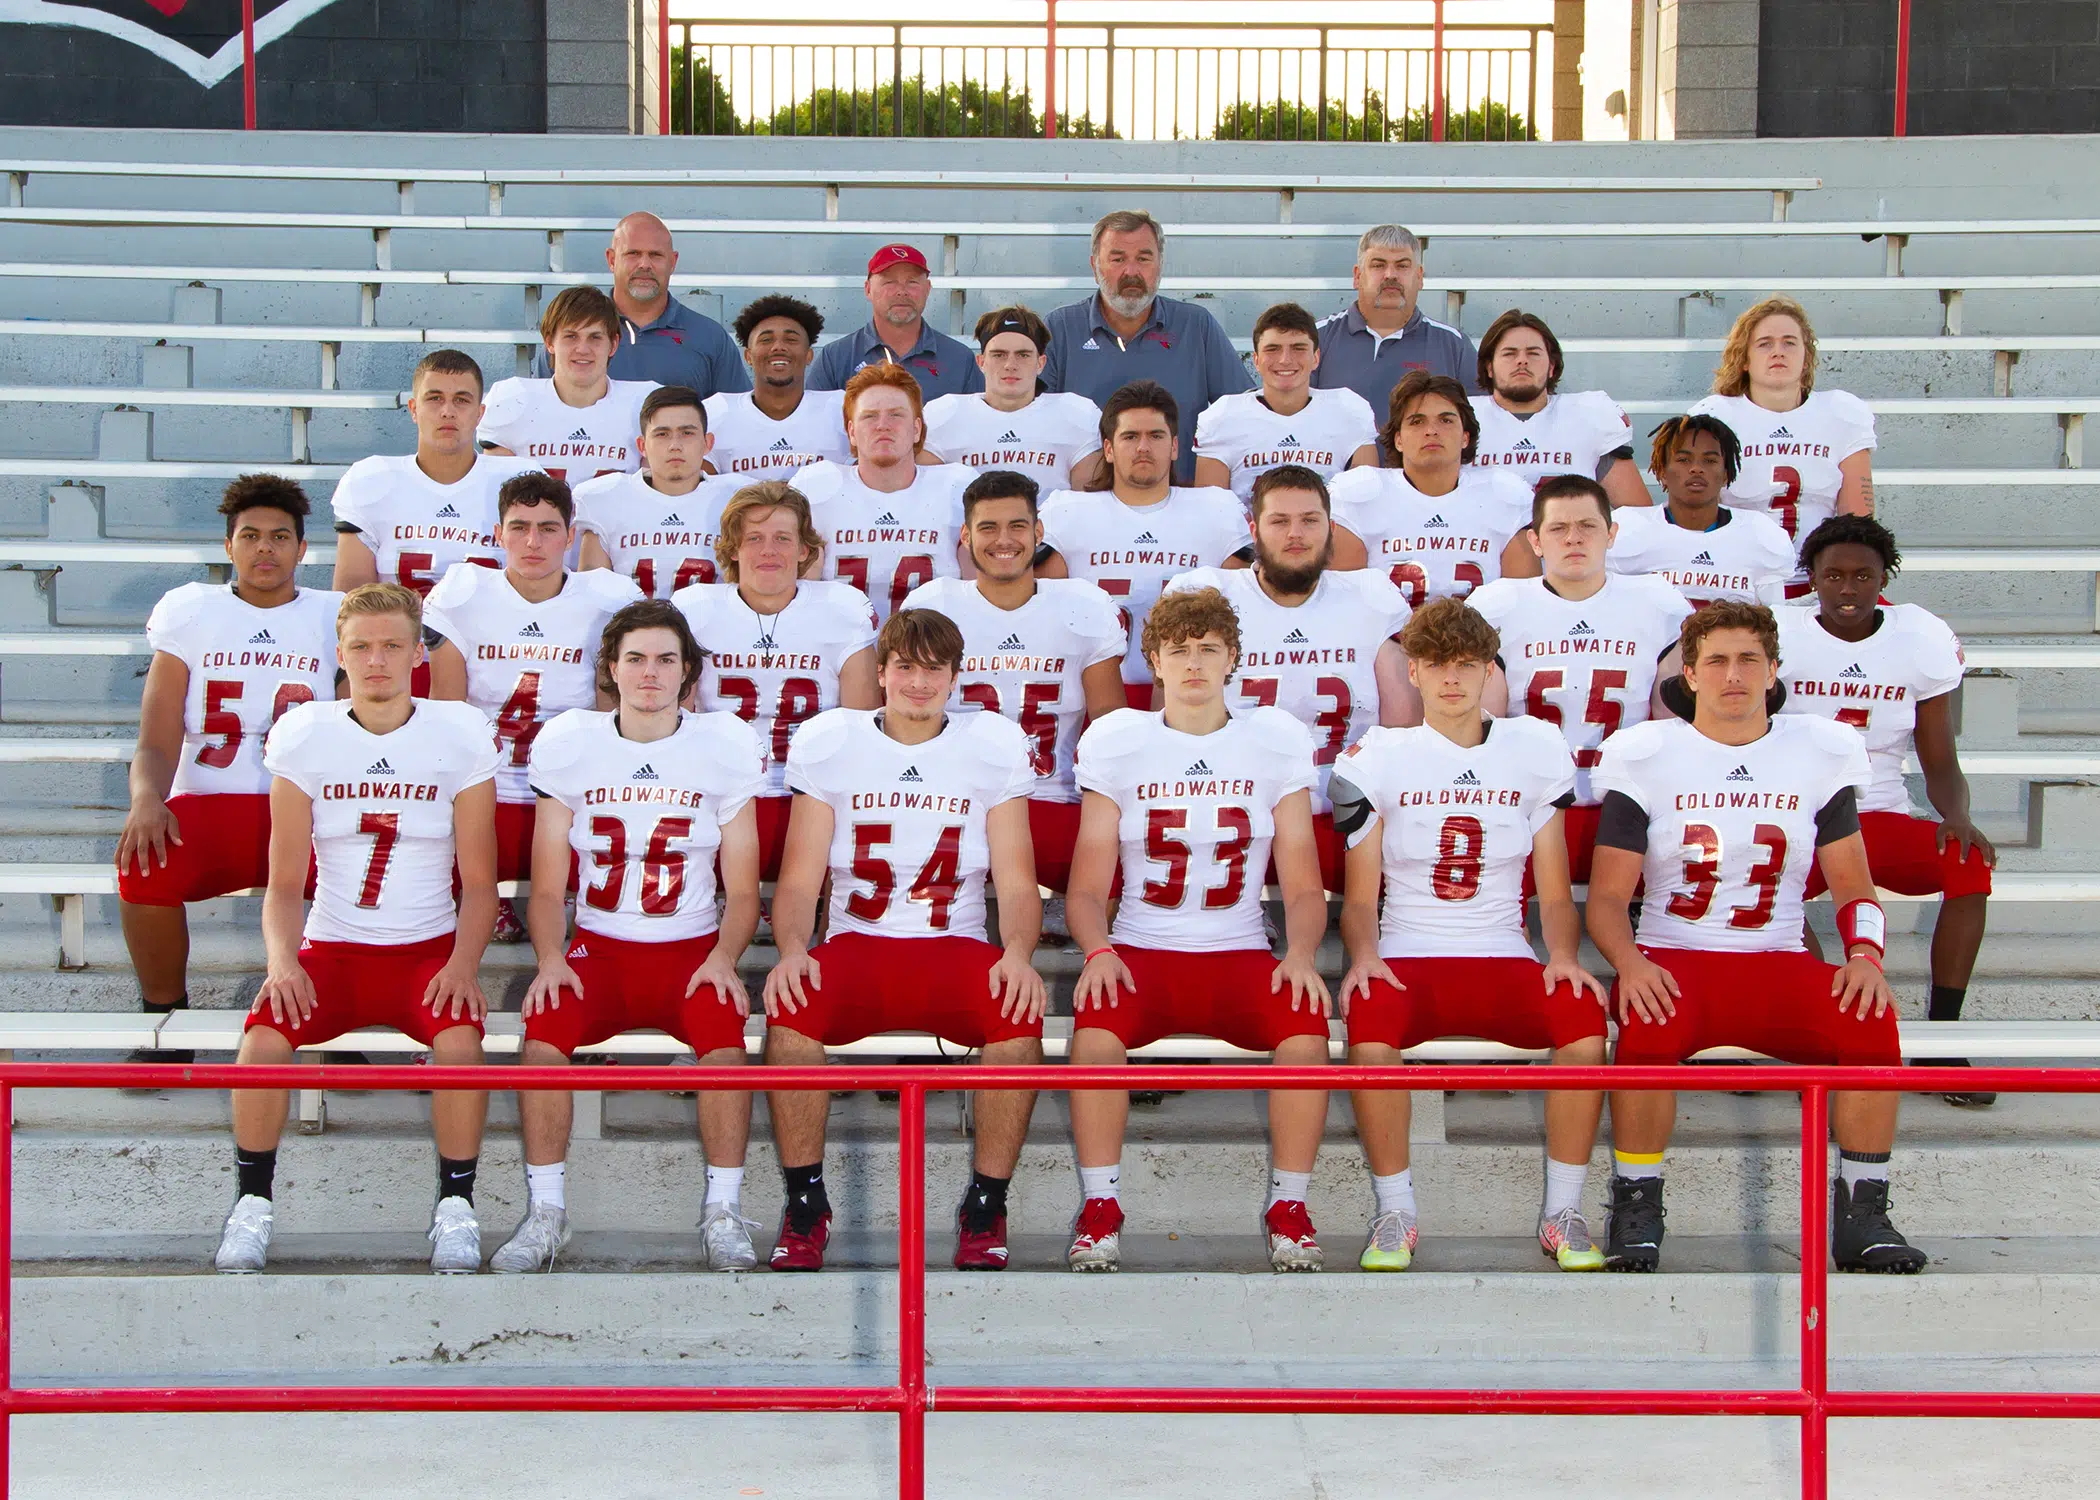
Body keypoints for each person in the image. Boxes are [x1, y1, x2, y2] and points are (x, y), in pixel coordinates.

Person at [1589, 599, 1926, 1276]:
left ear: (1774, 670)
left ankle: (1864, 1214)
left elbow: (1855, 886)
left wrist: (1865, 956)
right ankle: (1637, 1205)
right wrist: (1630, 963)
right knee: (1646, 1023)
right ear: (1689, 673)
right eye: (1716, 660)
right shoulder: (1647, 754)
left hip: (1777, 954)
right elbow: (1605, 899)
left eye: (1749, 659)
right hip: (1675, 957)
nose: (1733, 674)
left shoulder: (1817, 751)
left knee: (1869, 1018)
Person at [213, 583, 501, 1275]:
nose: (377, 660)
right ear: (338, 653)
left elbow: (481, 884)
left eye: (393, 645)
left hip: (424, 954)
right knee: (263, 1035)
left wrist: (462, 965)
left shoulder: (458, 733)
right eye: (362, 646)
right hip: (334, 950)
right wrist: (283, 963)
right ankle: (251, 1204)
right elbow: (285, 884)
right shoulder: (306, 734)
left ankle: (457, 1207)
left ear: (417, 653)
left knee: (460, 1041)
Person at [762, 608, 1046, 1273]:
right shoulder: (833, 741)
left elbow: (1017, 879)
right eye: (906, 668)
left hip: (954, 943)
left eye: (934, 670)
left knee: (1019, 1019)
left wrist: (1018, 954)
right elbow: (799, 880)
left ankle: (987, 1204)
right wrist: (794, 951)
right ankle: (805, 1203)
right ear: (883, 672)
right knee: (790, 1014)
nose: (919, 683)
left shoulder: (990, 745)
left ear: (955, 677)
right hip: (858, 941)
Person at [1330, 596, 1609, 1272]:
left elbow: (1554, 888)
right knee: (1370, 1020)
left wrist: (1563, 955)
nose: (1451, 678)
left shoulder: (1533, 747)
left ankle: (1563, 1211)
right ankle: (1395, 1210)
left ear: (1489, 671)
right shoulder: (1379, 756)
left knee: (1583, 1018)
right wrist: (1363, 955)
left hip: (1502, 949)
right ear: (1413, 673)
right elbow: (1360, 898)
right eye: (1435, 664)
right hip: (1407, 952)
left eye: (1465, 663)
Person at [491, 600, 768, 1273]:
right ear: (611, 669)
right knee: (544, 1031)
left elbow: (743, 889)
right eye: (636, 658)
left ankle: (724, 1208)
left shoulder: (723, 745)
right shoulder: (572, 743)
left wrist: (725, 957)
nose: (650, 672)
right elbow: (548, 887)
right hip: (600, 948)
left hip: (691, 950)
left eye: (666, 659)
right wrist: (550, 958)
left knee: (725, 1038)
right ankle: (546, 1211)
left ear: (687, 672)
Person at [1064, 586, 1330, 1273]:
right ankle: (1101, 1206)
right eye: (1178, 650)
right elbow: (1087, 886)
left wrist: (1301, 951)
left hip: (1238, 948)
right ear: (1153, 660)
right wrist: (1098, 949)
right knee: (1094, 1027)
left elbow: (1303, 883)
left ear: (1233, 657)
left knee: (1305, 1025)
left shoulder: (1273, 741)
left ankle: (1290, 1207)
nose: (1193, 664)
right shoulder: (1119, 742)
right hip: (1141, 948)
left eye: (1208, 649)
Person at [118, 477, 341, 1064]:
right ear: (228, 546)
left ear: (302, 549)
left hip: (307, 809)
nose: (265, 548)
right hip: (210, 797)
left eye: (280, 537)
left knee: (376, 865)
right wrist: (146, 799)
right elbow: (157, 737)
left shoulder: (335, 615)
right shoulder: (192, 611)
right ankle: (165, 1019)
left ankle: (342, 1015)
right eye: (251, 536)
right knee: (143, 863)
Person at [1780, 515, 1997, 1107]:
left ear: (1884, 578)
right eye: (1833, 576)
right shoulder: (1781, 633)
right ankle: (1819, 1036)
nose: (1848, 588)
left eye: (1863, 576)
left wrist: (1956, 815)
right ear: (1812, 578)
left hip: (1877, 809)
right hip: (1798, 814)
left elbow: (1940, 759)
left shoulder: (1918, 637)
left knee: (1968, 865)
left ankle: (1942, 1037)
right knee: (1772, 889)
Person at [1162, 464, 1414, 891]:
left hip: (1345, 813)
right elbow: (1170, 724)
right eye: (1279, 521)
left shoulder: (1370, 597)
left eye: (1309, 520)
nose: (1295, 534)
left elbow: (1402, 732)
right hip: (1235, 812)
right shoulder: (1211, 594)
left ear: (1331, 529)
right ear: (1254, 530)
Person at [902, 470, 1128, 893]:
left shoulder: (1082, 606)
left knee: (1122, 864)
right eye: (988, 527)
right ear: (966, 537)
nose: (1003, 540)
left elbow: (1110, 728)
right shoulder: (936, 605)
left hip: (1052, 797)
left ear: (1038, 532)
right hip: (955, 798)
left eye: (1017, 526)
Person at [424, 472, 643, 889]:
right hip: (487, 784)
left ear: (570, 536)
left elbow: (612, 718)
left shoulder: (607, 600)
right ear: (498, 535)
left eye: (548, 529)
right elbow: (447, 714)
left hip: (573, 784)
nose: (532, 542)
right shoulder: (463, 595)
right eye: (519, 527)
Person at [1469, 476, 1692, 885]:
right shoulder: (1498, 605)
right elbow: (1482, 727)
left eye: (1588, 525)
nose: (1574, 538)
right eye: (1558, 528)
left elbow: (1673, 727)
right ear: (1535, 541)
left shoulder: (1656, 602)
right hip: (1531, 802)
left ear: (1612, 534)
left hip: (1627, 805)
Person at [674, 481, 880, 882]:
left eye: (783, 538)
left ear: (804, 549)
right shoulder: (695, 610)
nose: (768, 550)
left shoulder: (842, 610)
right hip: (721, 792)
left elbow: (862, 728)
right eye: (754, 538)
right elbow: (676, 724)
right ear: (733, 548)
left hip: (811, 795)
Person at [1037, 380, 1249, 707]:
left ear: (1175, 446)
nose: (1143, 448)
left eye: (1156, 436)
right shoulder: (1067, 512)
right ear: (1108, 449)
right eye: (1130, 436)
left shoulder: (1216, 511)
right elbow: (1042, 612)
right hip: (1094, 692)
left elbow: (1244, 611)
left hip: (1190, 692)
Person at [1041, 210, 1251, 485]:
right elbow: (1031, 424)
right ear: (1094, 266)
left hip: (1179, 499)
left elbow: (1244, 415)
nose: (1131, 272)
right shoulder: (1060, 329)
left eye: (1143, 258)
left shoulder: (1195, 327)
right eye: (1118, 259)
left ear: (1160, 264)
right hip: (1088, 502)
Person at [1689, 295, 1875, 571]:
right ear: (1744, 359)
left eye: (1789, 342)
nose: (1778, 352)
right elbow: (1696, 515)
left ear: (1806, 357)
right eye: (1765, 344)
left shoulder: (1841, 412)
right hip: (1739, 578)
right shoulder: (1716, 416)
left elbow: (1858, 524)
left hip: (1819, 579)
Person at [331, 349, 536, 598]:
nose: (447, 411)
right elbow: (352, 602)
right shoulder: (371, 480)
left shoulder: (518, 480)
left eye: (461, 400)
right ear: (413, 409)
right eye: (435, 398)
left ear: (480, 414)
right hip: (398, 624)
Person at [1329, 370, 1538, 607]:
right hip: (1388, 632)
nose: (1431, 430)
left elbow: (1522, 605)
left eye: (1446, 420)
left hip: (1483, 632)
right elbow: (1347, 605)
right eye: (1417, 421)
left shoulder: (1504, 495)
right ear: (1398, 440)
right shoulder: (1360, 495)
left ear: (1465, 437)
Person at [792, 364, 974, 625]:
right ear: (851, 432)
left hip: (930, 646)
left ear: (917, 429)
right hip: (842, 643)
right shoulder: (817, 486)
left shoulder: (956, 487)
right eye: (869, 416)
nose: (882, 426)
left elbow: (977, 593)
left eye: (896, 415)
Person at [529, 212, 749, 400]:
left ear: (673, 262)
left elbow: (736, 420)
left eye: (655, 255)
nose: (644, 264)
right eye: (633, 254)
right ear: (612, 260)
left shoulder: (709, 338)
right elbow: (539, 413)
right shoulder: (572, 338)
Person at [1192, 302, 1379, 507]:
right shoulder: (1223, 416)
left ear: (1316, 358)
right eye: (1272, 349)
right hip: (1248, 528)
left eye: (1298, 348)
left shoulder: (1349, 410)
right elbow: (1212, 512)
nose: (1285, 360)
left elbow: (1364, 506)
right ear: (1256, 360)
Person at [1469, 309, 1650, 510]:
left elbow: (1638, 515)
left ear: (1552, 366)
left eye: (1533, 353)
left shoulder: (1589, 416)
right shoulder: (1460, 419)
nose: (1522, 360)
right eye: (1509, 353)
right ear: (1489, 367)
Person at [1608, 413, 1794, 608]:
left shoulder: (1760, 534)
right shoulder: (1626, 529)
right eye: (1683, 459)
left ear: (1726, 474)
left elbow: (1774, 618)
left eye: (1710, 460)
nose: (1696, 469)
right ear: (1662, 471)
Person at [574, 385, 745, 597]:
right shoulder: (605, 498)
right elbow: (592, 597)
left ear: (707, 443)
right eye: (662, 434)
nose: (675, 445)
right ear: (642, 446)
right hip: (630, 619)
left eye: (687, 433)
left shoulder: (736, 499)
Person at [480, 286, 658, 482]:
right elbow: (496, 489)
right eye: (571, 336)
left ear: (613, 345)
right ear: (550, 342)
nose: (582, 349)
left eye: (595, 337)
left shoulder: (642, 403)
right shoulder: (514, 400)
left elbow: (656, 491)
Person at [922, 305, 1104, 494]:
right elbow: (927, 499)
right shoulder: (943, 415)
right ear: (981, 362)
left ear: (1041, 363)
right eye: (999, 355)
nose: (1010, 365)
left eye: (1023, 355)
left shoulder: (1076, 415)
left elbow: (1086, 503)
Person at [1313, 224, 1478, 416]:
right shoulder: (1316, 339)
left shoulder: (1455, 347)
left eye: (1402, 266)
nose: (1390, 275)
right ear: (1357, 276)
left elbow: (1476, 423)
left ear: (1420, 277)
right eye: (1378, 265)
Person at [808, 243, 982, 401]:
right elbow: (815, 421)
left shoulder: (960, 359)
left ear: (927, 289)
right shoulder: (836, 358)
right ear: (868, 289)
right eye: (889, 282)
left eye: (912, 282)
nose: (901, 291)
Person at [705, 296, 851, 482]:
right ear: (748, 356)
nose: (778, 347)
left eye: (791, 339)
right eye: (766, 340)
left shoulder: (840, 409)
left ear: (809, 356)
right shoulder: (716, 412)